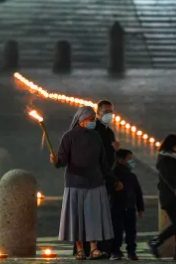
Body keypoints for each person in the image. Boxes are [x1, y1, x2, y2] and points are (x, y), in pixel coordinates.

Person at [52, 107, 118, 260]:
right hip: (75, 183)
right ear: (81, 120)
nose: (93, 122)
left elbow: (103, 162)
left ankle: (94, 249)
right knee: (77, 217)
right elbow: (62, 161)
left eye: (94, 119)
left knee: (93, 216)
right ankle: (80, 249)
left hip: (95, 182)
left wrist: (113, 179)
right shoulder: (69, 137)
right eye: (90, 119)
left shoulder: (95, 137)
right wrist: (55, 160)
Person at [110, 149, 144, 260]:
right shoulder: (113, 175)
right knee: (117, 230)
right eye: (129, 159)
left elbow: (137, 192)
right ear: (121, 160)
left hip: (130, 207)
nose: (132, 161)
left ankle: (131, 251)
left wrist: (140, 208)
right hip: (117, 207)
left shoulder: (131, 175)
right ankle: (116, 251)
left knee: (131, 231)